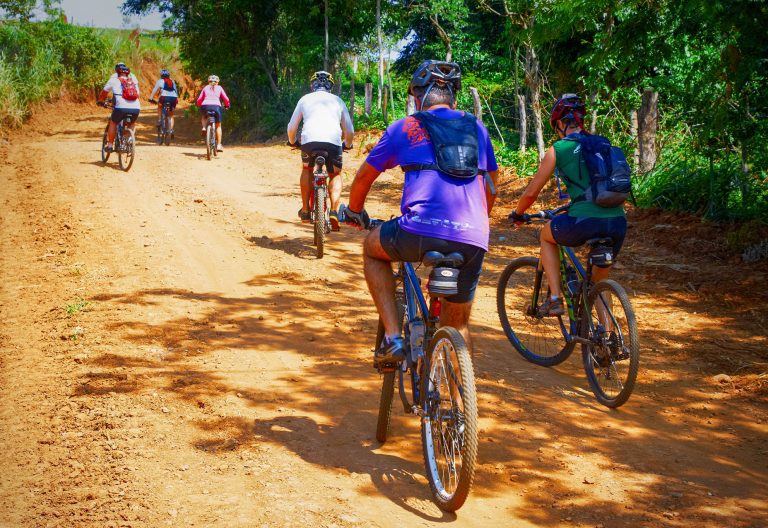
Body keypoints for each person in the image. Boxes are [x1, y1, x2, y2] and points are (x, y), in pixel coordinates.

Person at [344, 60, 499, 365]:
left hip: (419, 230)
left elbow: (364, 178)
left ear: (417, 97)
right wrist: (478, 221)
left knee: (372, 249)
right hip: (473, 235)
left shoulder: (405, 127)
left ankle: (393, 338)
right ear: (454, 97)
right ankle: (460, 406)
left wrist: (354, 212)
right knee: (458, 326)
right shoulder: (476, 127)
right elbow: (493, 182)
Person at [508, 94, 627, 316]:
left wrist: (518, 213)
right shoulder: (602, 143)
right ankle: (608, 340)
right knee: (599, 284)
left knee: (546, 235)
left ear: (561, 124)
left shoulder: (559, 149)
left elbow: (532, 192)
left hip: (585, 221)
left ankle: (555, 299)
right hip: (618, 222)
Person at [286, 70, 354, 231]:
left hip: (309, 141)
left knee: (307, 169)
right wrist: (348, 144)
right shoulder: (337, 100)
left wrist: (293, 142)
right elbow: (349, 130)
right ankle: (334, 212)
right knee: (335, 174)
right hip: (333, 143)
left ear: (312, 85)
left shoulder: (305, 99)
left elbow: (291, 127)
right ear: (330, 86)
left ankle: (305, 210)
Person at [97, 62, 140, 152]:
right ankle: (129, 141)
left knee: (113, 122)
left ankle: (109, 145)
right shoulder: (133, 81)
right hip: (136, 108)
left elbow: (104, 92)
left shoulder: (114, 79)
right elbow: (138, 95)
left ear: (117, 72)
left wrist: (100, 101)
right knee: (132, 123)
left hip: (120, 107)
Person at [196, 74, 230, 152]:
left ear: (208, 81)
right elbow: (226, 99)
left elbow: (200, 99)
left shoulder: (205, 87)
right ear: (217, 82)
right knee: (218, 126)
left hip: (206, 106)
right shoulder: (219, 88)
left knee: (204, 117)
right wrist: (227, 105)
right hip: (216, 107)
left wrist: (199, 104)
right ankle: (218, 145)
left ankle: (204, 127)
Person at [149, 68, 179, 138]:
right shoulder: (172, 81)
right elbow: (176, 91)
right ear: (169, 75)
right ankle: (171, 130)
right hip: (173, 98)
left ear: (161, 75)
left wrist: (150, 98)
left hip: (164, 97)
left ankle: (159, 120)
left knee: (159, 106)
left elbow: (154, 90)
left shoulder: (160, 81)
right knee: (171, 115)